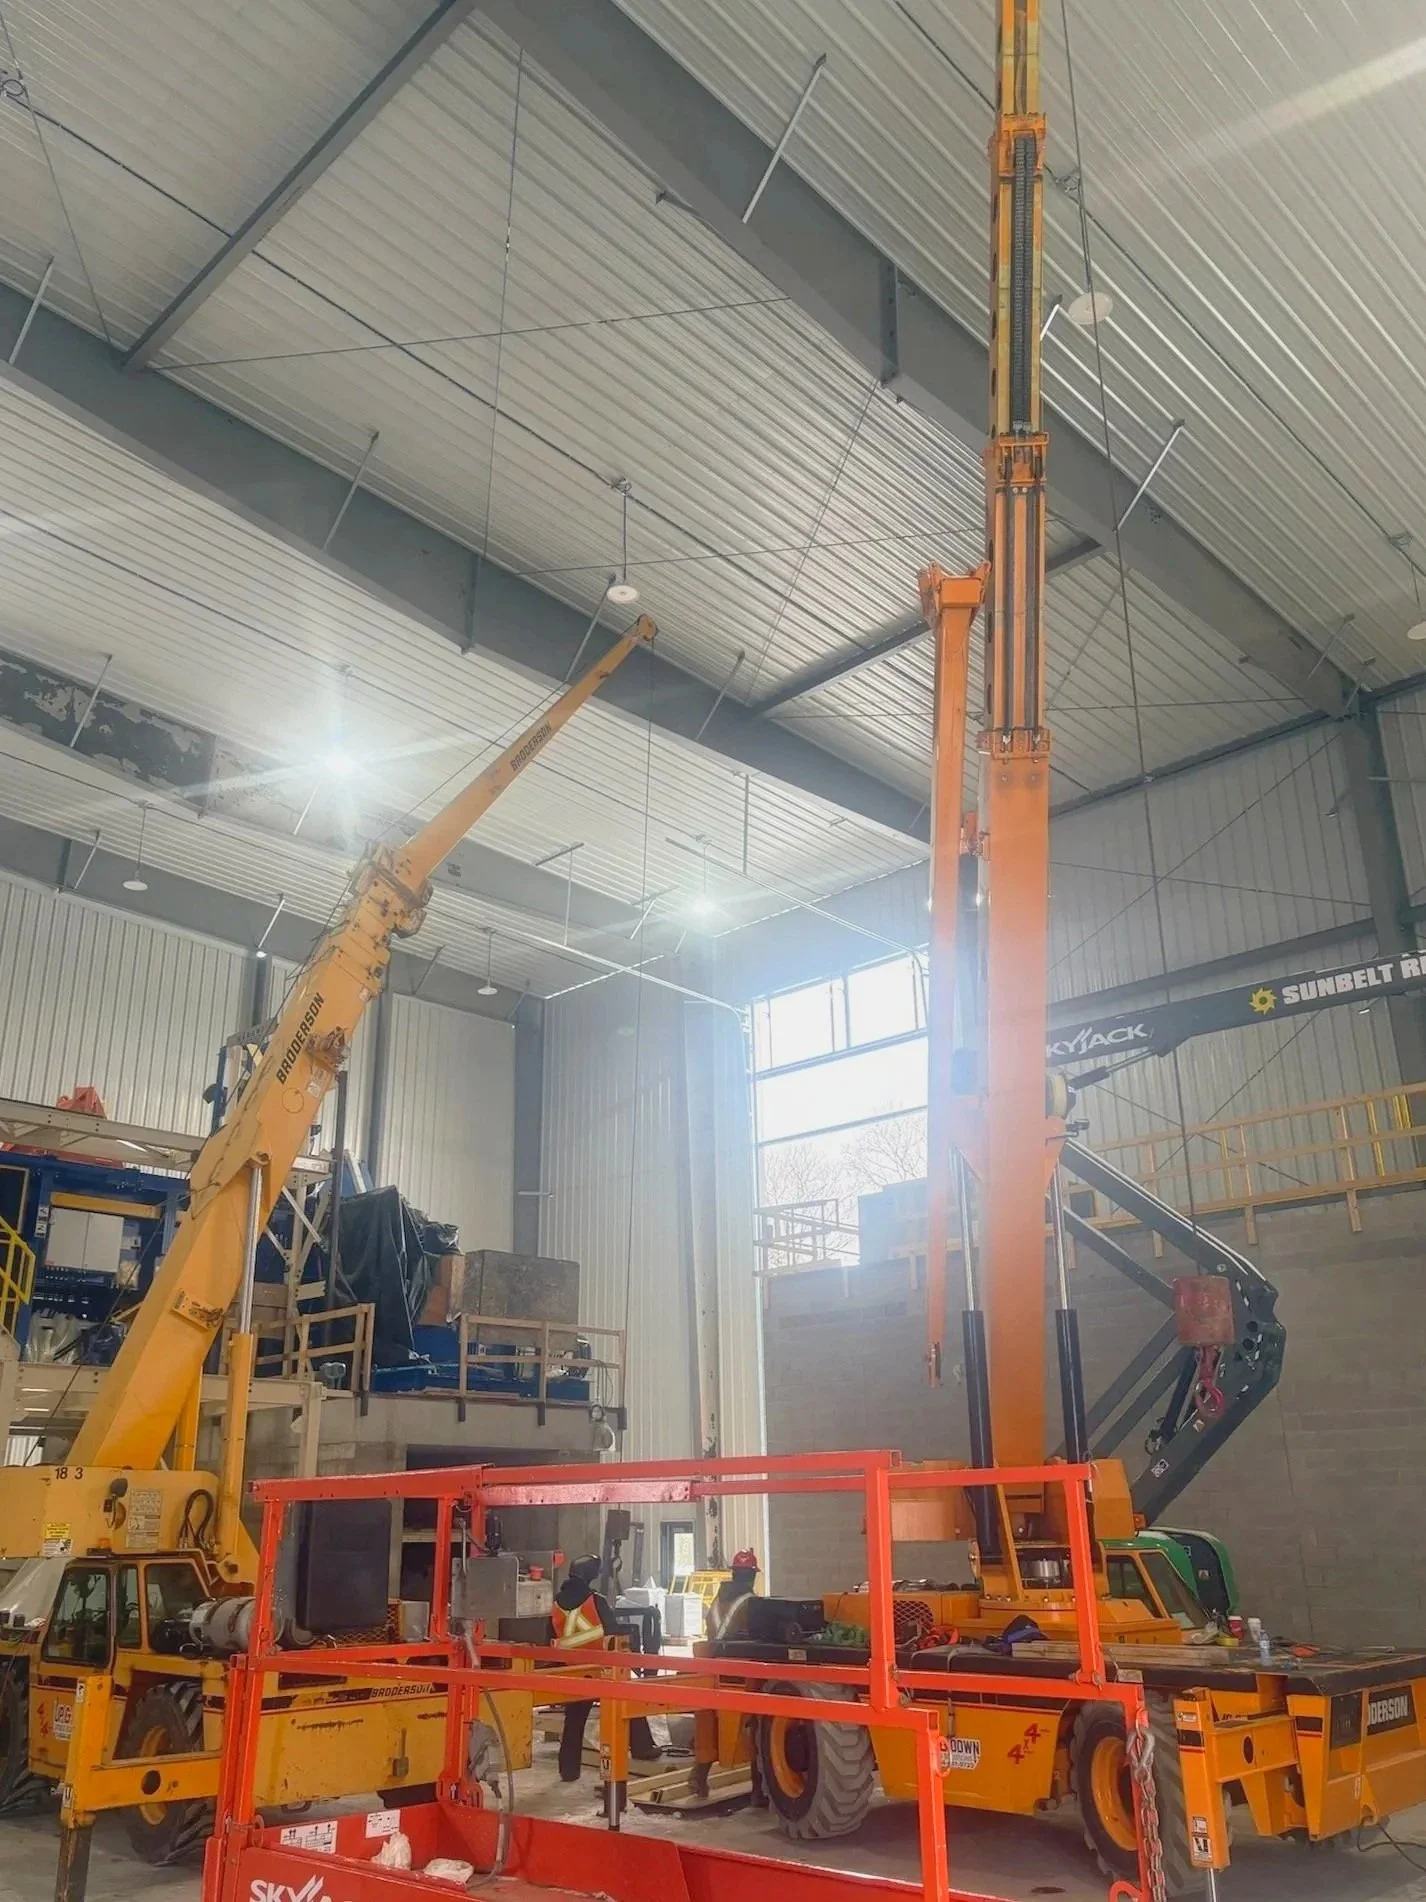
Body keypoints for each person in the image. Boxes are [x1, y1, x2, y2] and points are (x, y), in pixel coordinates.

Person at [549, 1555, 657, 1781]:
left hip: (572, 1671)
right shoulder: (595, 1600)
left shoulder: (556, 1602)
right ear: (590, 1575)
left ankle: (568, 1770)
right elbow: (613, 1631)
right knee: (630, 1701)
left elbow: (550, 1637)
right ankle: (642, 1748)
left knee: (574, 1721)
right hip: (601, 1669)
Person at [708, 1549, 760, 1641]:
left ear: (733, 1574)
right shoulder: (751, 1603)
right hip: (737, 1654)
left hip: (711, 1652)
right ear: (753, 1576)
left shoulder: (717, 1601)